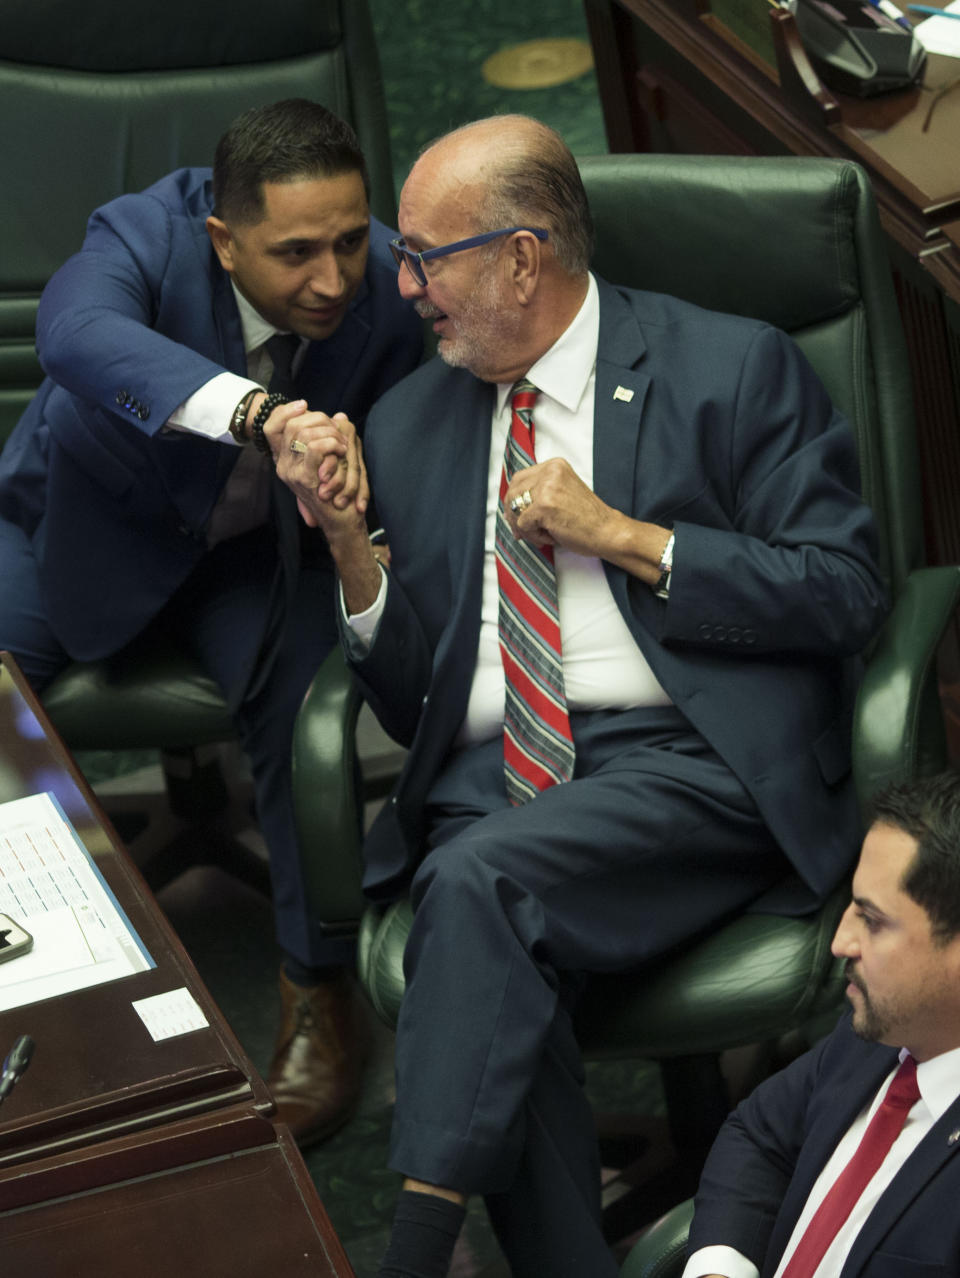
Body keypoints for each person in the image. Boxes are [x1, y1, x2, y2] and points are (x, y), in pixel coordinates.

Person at [275, 114, 887, 1276]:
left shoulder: (729, 365)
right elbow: (410, 704)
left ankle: (412, 1249)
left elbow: (846, 593)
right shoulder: (413, 422)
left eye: (426, 256)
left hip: (686, 760)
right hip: (491, 779)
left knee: (478, 886)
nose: (401, 288)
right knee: (503, 956)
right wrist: (352, 547)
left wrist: (626, 536)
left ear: (521, 255)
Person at [0, 98, 422, 1146]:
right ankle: (39, 985)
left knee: (302, 725)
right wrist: (262, 414)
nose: (332, 280)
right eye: (294, 255)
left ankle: (318, 989)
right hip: (76, 532)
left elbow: (424, 425)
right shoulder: (145, 232)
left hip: (255, 556)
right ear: (223, 240)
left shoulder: (388, 281)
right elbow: (76, 332)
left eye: (346, 242)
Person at [682, 769, 960, 1278]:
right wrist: (721, 1267)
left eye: (872, 920)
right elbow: (760, 1134)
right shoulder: (878, 1033)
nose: (840, 942)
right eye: (851, 905)